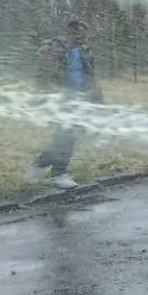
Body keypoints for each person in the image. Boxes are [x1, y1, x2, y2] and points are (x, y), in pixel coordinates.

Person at [28, 19, 103, 189]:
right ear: (69, 33)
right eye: (78, 34)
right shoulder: (53, 50)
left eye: (85, 34)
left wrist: (98, 100)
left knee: (71, 138)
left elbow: (91, 78)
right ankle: (58, 174)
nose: (82, 38)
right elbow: (44, 76)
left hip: (81, 102)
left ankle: (40, 163)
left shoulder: (86, 52)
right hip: (59, 102)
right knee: (65, 138)